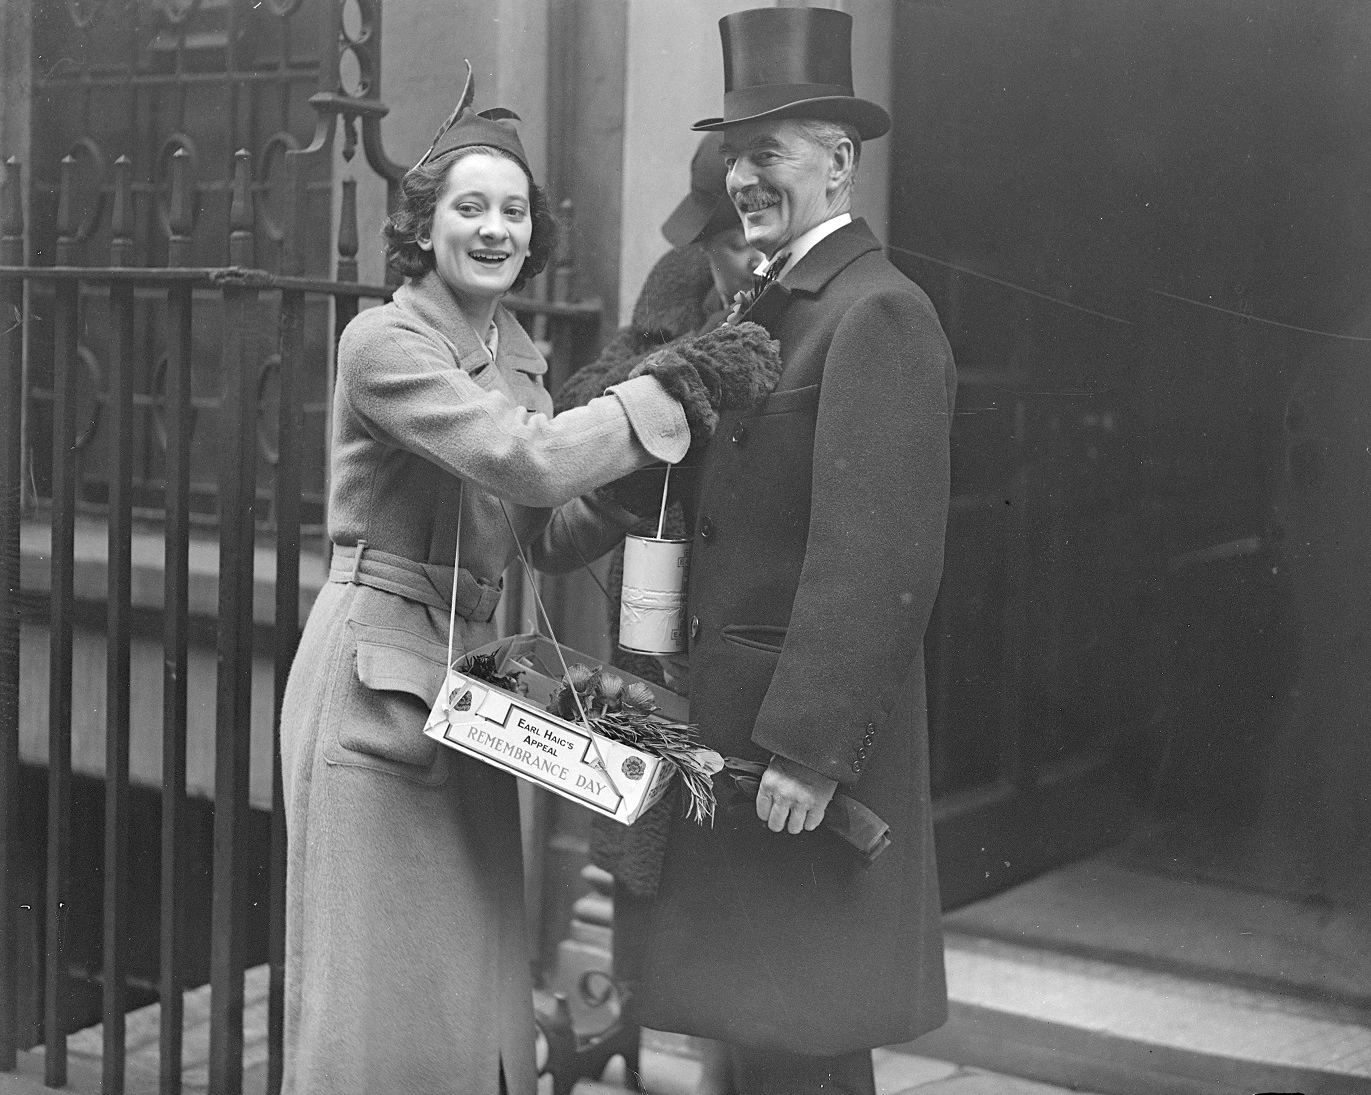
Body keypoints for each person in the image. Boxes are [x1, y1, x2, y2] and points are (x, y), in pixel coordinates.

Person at [278, 70, 775, 1095]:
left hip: (461, 684)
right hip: (373, 690)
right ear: (425, 227)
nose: (494, 229)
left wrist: (648, 489)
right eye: (470, 207)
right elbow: (525, 462)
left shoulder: (518, 357)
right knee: (376, 1013)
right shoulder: (385, 343)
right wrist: (664, 393)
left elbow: (543, 532)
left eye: (513, 210)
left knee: (465, 1006)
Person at [620, 9, 958, 1095]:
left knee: (804, 1048)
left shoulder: (876, 314)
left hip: (790, 759)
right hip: (731, 740)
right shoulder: (772, 304)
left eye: (766, 151)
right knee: (758, 1036)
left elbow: (877, 558)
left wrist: (813, 752)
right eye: (734, 155)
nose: (742, 178)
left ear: (840, 162)